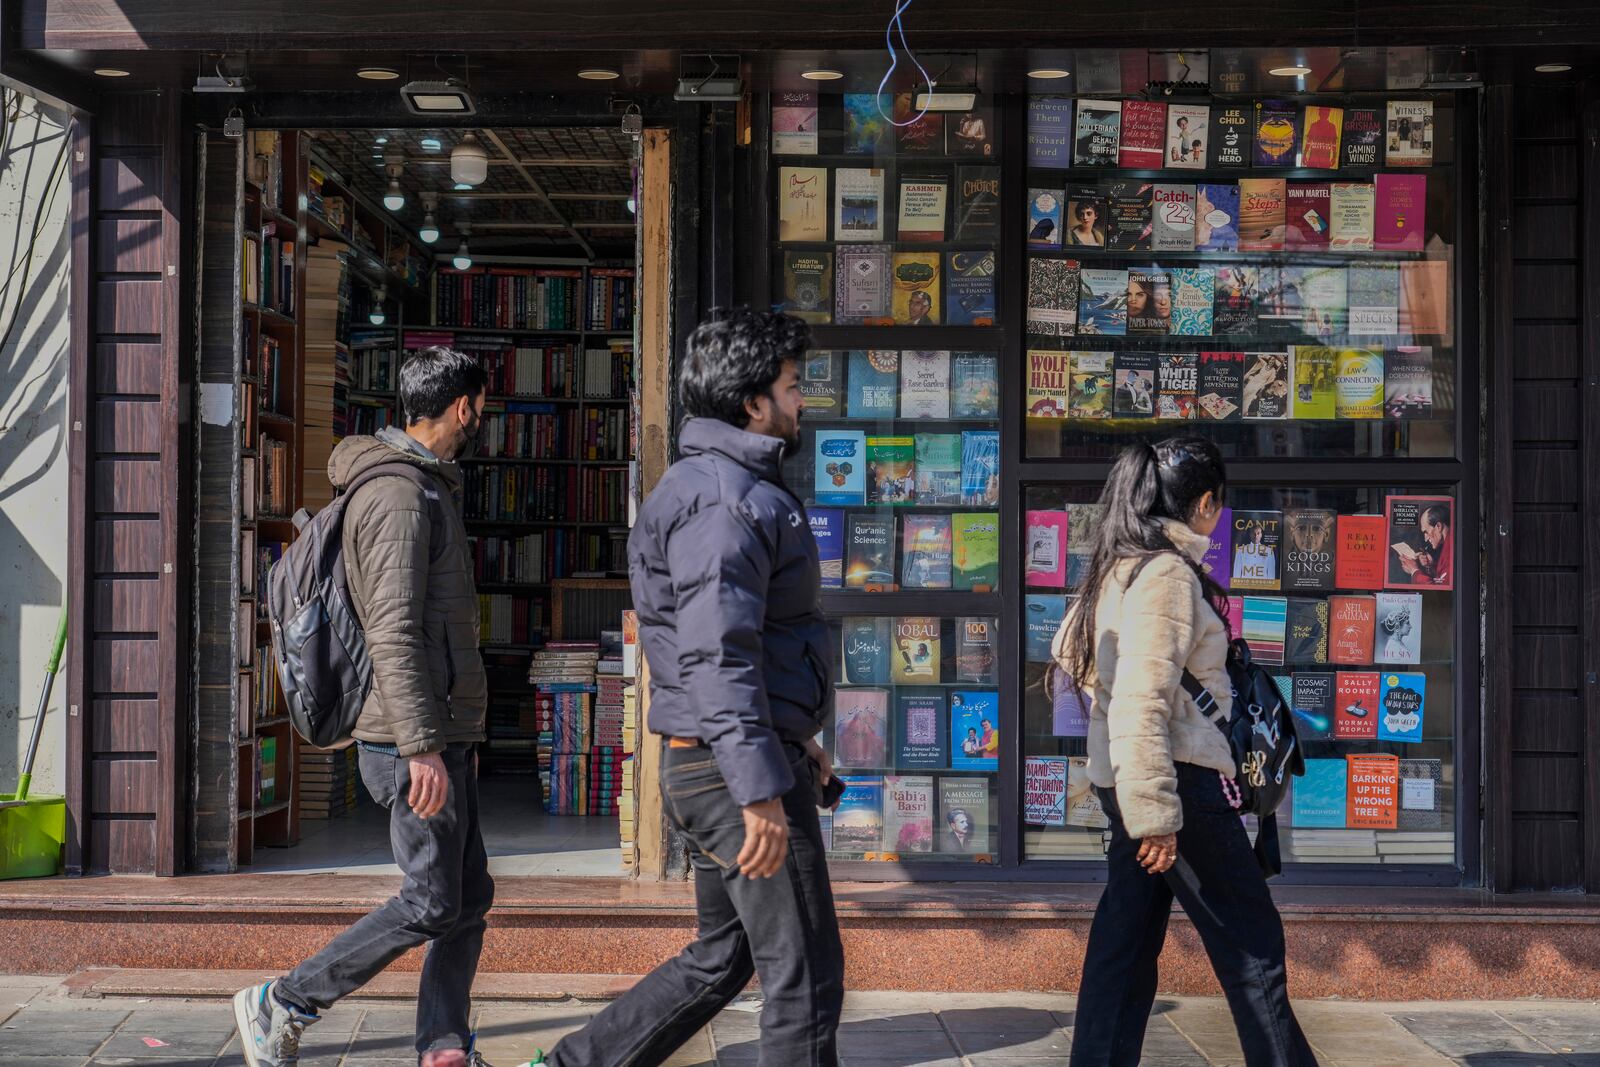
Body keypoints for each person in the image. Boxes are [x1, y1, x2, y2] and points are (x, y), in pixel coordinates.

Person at [538, 309, 845, 1067]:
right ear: (753, 403)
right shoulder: (722, 501)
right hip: (731, 769)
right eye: (794, 385)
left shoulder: (726, 487)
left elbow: (746, 642)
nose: (804, 400)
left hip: (728, 755)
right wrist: (759, 789)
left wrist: (800, 735)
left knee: (722, 957)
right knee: (804, 978)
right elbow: (715, 654)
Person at [233, 347, 493, 1067]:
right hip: (411, 739)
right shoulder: (401, 496)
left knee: (466, 894)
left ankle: (443, 1046)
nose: (483, 417)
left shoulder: (423, 486)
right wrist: (420, 746)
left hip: (440, 730)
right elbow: (394, 628)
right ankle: (285, 998)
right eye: (481, 404)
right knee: (433, 899)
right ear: (463, 406)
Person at [1052, 437, 1317, 1067]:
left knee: (1125, 944)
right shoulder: (1167, 575)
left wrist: (1138, 796)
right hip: (1177, 785)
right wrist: (1156, 815)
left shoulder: (1120, 566)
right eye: (1218, 506)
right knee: (1252, 947)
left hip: (1133, 782)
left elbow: (1070, 649)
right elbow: (1142, 698)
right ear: (1204, 504)